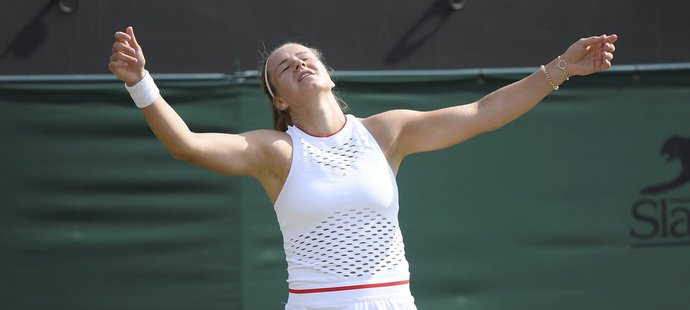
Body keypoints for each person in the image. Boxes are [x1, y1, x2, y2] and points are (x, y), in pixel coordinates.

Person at [108, 26, 617, 309]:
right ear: (278, 100)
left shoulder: (386, 132)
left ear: (328, 72)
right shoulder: (275, 152)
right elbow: (187, 145)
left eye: (306, 57)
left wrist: (561, 69)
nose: (300, 64)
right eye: (285, 67)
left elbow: (483, 113)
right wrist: (140, 83)